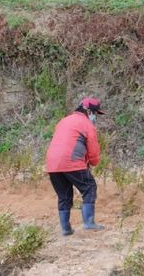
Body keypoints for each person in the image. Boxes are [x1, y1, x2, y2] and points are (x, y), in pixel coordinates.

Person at [45, 97, 106, 236]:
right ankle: (89, 223)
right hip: (72, 161)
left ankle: (66, 229)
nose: (95, 116)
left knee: (64, 195)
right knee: (89, 187)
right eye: (95, 113)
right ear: (88, 111)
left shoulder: (63, 121)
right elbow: (93, 149)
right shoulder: (86, 124)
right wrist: (94, 162)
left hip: (52, 164)